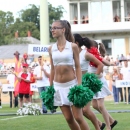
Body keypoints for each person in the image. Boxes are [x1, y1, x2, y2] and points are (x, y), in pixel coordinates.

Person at [49, 20, 90, 130]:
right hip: (58, 87)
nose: (52, 30)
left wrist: (79, 85)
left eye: (55, 28)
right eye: (51, 28)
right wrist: (50, 87)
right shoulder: (51, 48)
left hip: (72, 86)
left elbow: (77, 67)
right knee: (68, 118)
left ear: (63, 30)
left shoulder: (72, 46)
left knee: (78, 117)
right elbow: (52, 69)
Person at [82, 37, 117, 130]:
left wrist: (108, 62)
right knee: (94, 105)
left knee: (101, 105)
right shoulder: (86, 55)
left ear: (93, 48)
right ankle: (112, 121)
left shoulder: (96, 56)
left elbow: (107, 63)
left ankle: (109, 127)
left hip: (99, 82)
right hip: (91, 82)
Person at [73, 34, 104, 130]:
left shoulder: (85, 54)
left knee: (86, 109)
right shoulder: (71, 54)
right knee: (80, 112)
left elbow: (100, 64)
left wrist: (94, 78)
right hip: (75, 84)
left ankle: (98, 127)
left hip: (85, 84)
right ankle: (99, 123)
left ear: (76, 43)